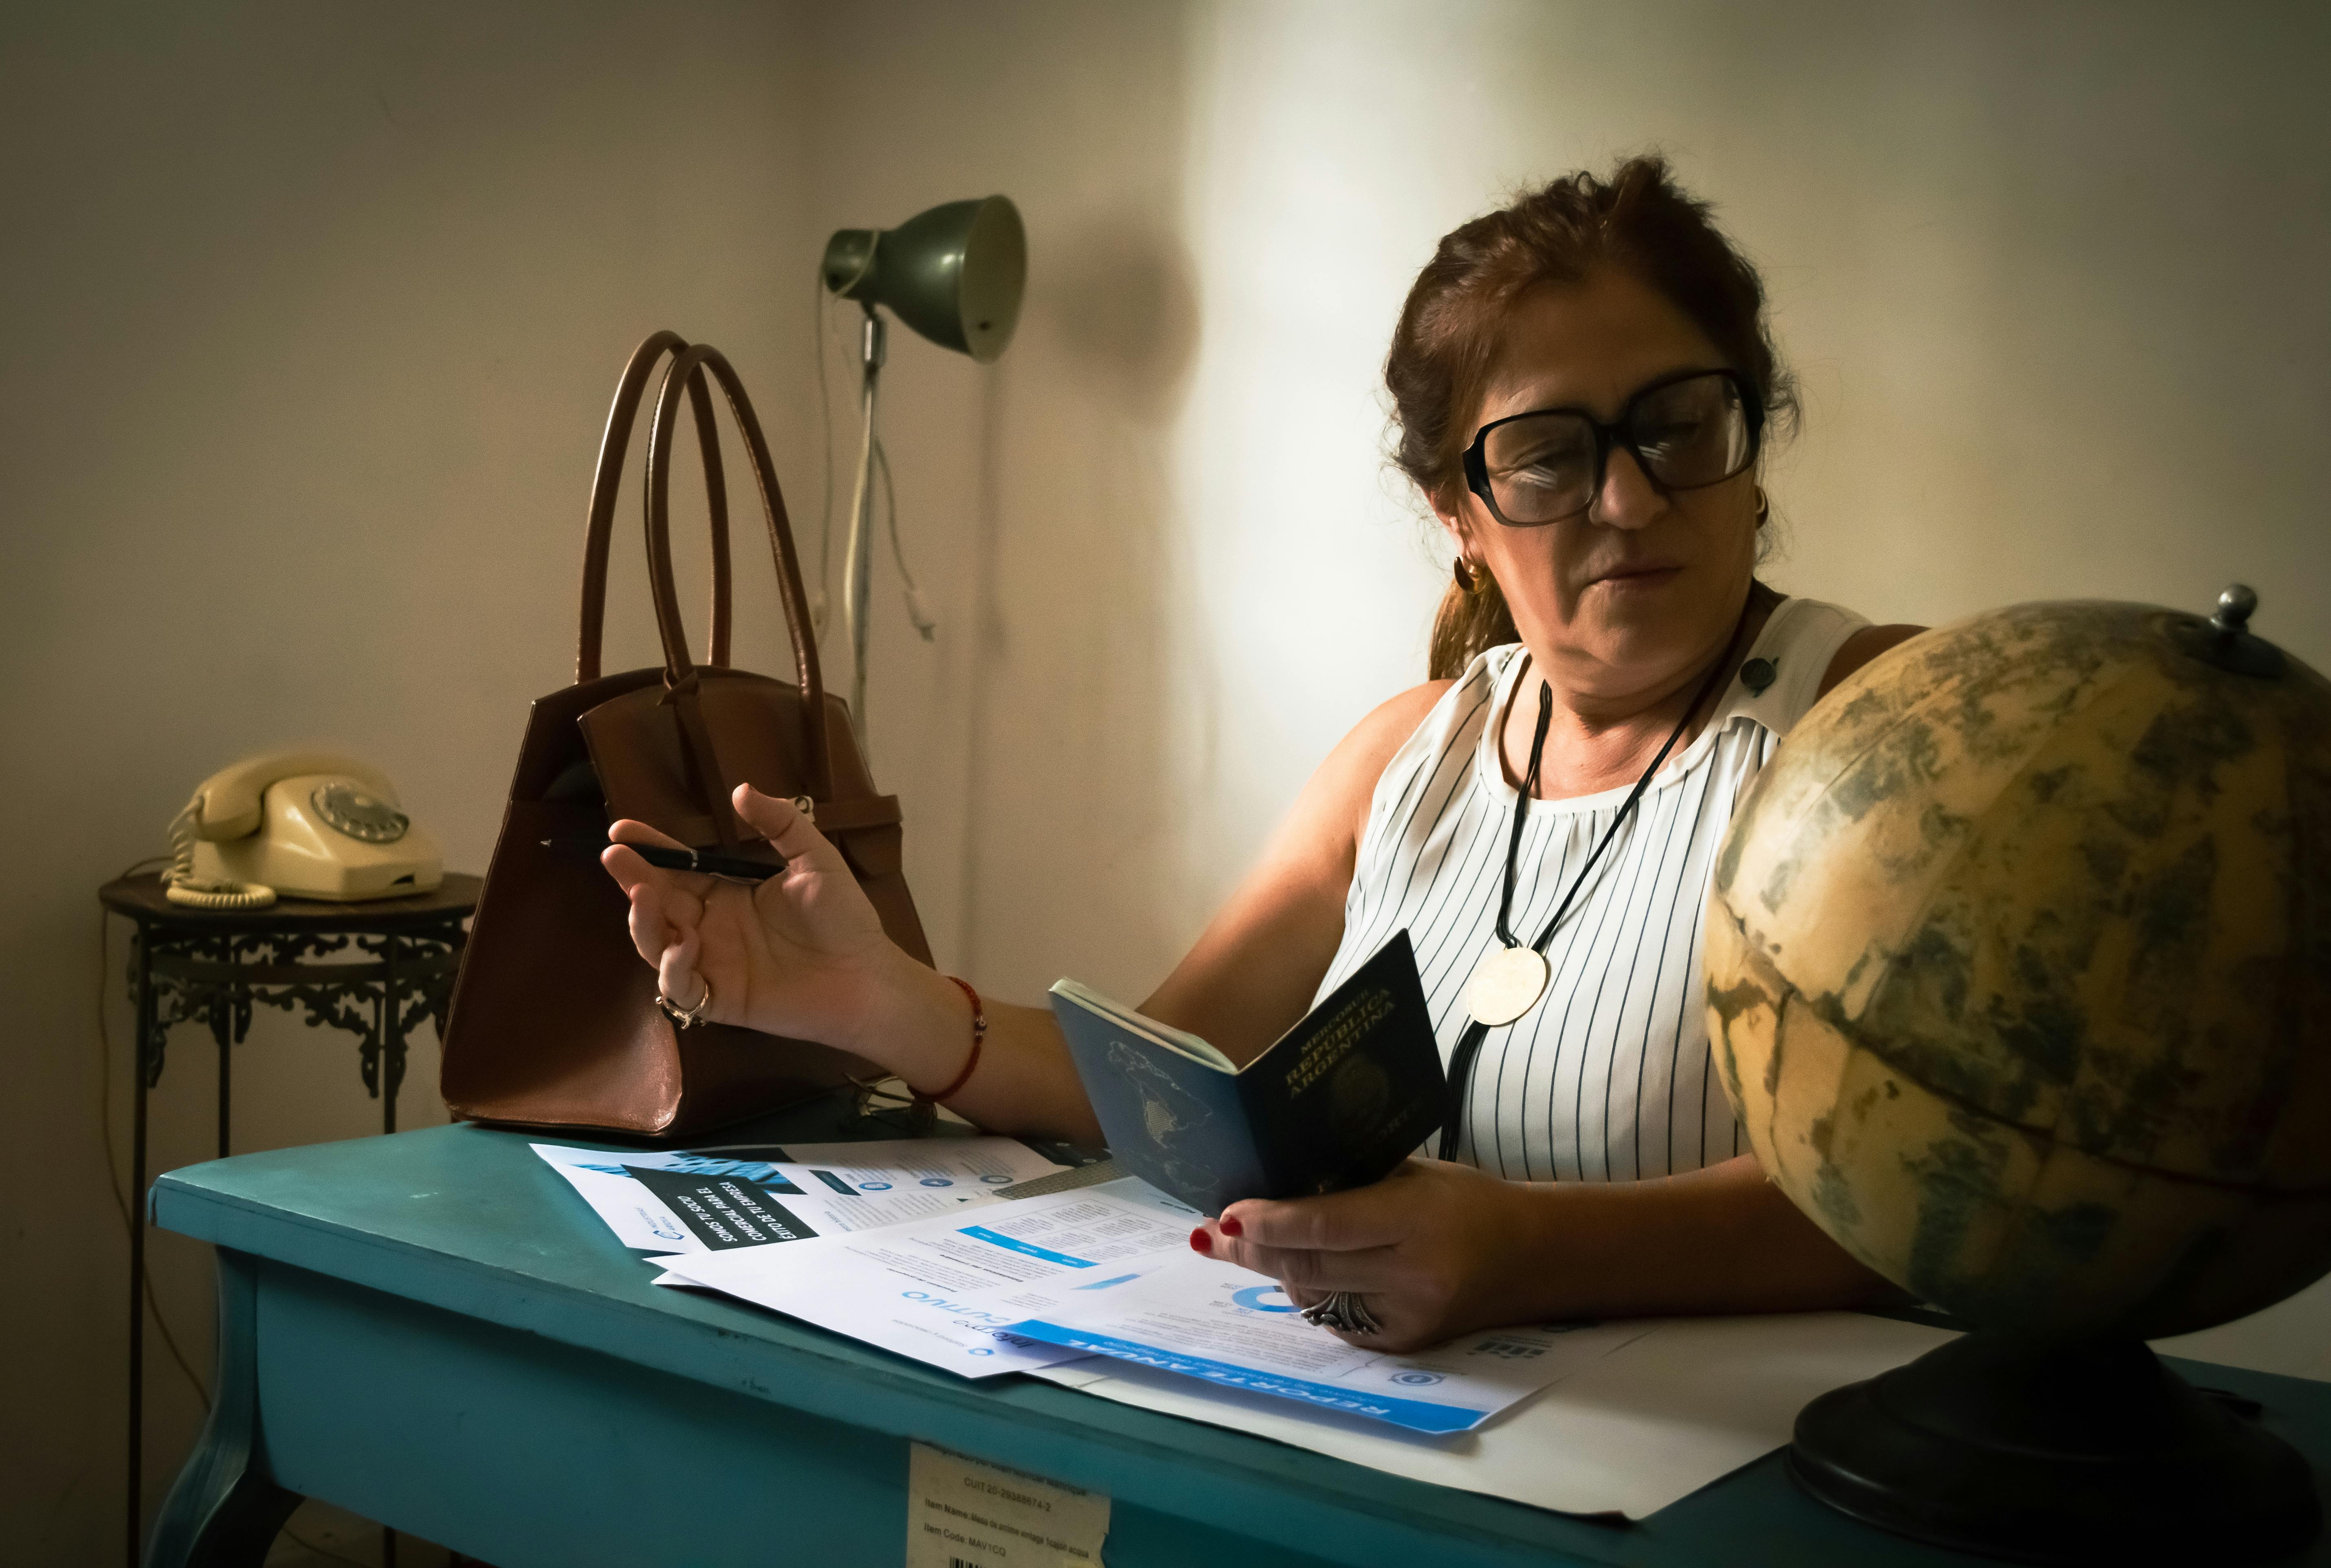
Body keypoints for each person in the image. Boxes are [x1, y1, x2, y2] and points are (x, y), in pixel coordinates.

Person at [604, 157, 1925, 1354]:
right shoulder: (1411, 753)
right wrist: (868, 999)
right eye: (1544, 457)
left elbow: (1937, 1187)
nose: (1629, 497)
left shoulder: (1890, 725)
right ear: (1458, 513)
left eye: (1679, 425)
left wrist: (1528, 1251)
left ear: (1749, 441)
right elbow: (1161, 1076)